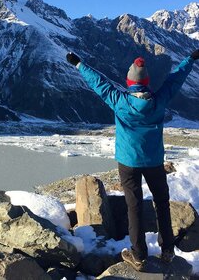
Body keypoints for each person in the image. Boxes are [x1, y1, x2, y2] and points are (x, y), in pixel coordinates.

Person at [66, 49, 199, 271]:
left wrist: (78, 64)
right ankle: (167, 250)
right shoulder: (159, 99)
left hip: (128, 162)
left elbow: (98, 82)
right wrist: (191, 59)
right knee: (162, 203)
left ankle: (139, 255)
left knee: (134, 206)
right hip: (154, 161)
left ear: (129, 82)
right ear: (146, 82)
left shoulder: (119, 100)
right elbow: (176, 78)